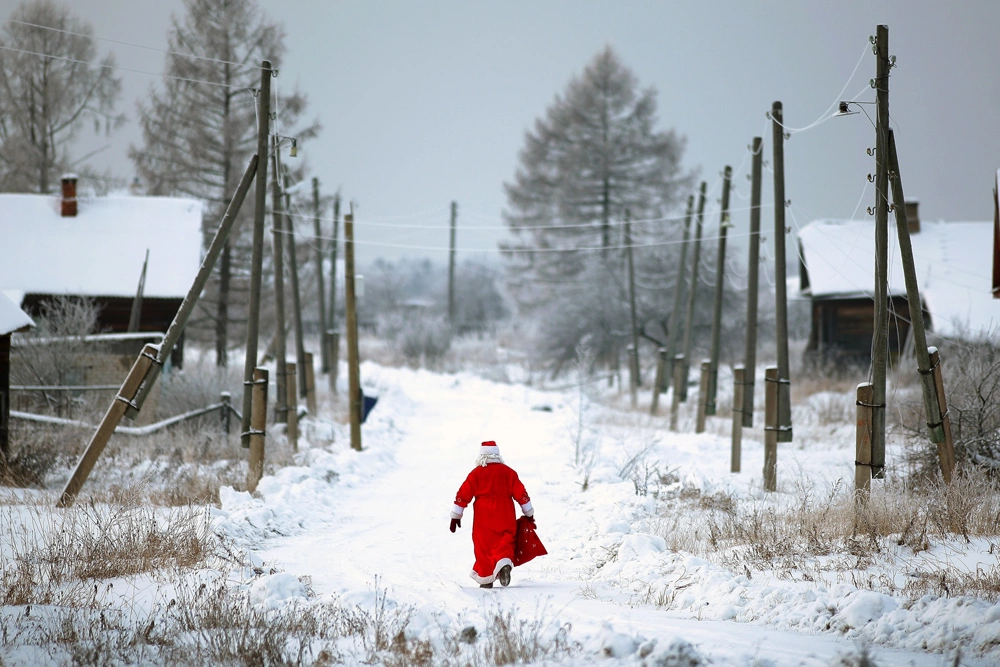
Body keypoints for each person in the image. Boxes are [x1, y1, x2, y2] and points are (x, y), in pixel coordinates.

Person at [449, 440, 534, 588]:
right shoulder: (509, 472)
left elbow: (463, 494)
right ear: (497, 454)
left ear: (481, 456)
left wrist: (456, 515)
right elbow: (521, 493)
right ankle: (504, 563)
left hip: (484, 516)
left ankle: (486, 579)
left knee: (484, 546)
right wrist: (528, 512)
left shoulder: (476, 474)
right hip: (505, 513)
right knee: (506, 539)